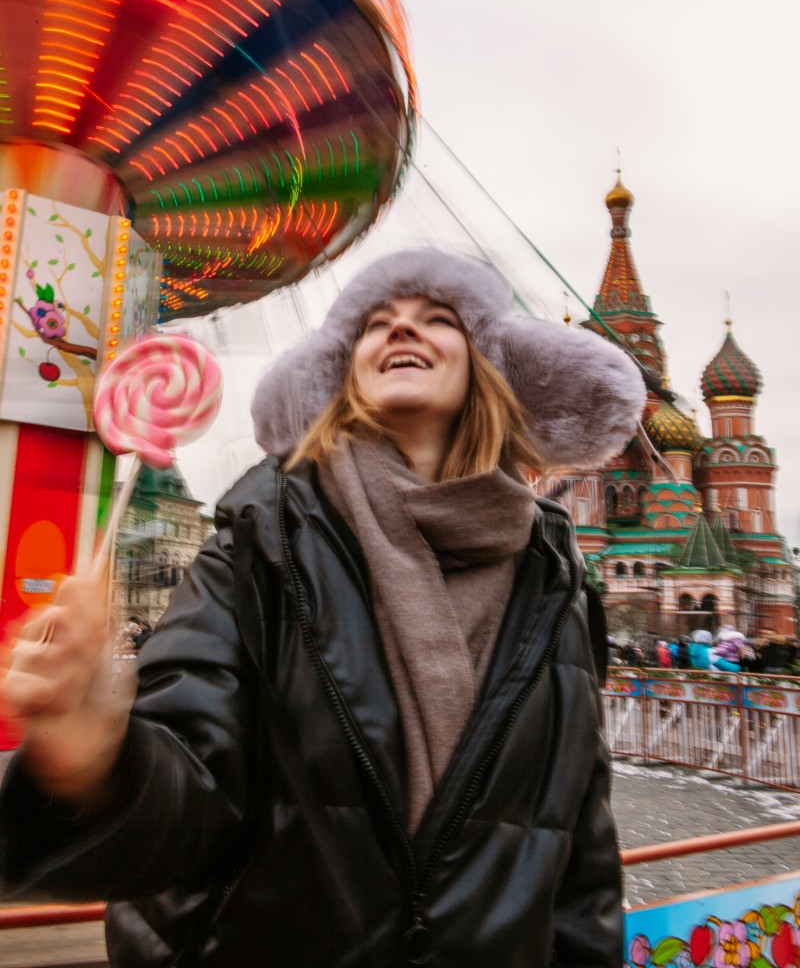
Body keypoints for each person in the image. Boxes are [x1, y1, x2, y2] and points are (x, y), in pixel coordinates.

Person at [0, 249, 645, 968]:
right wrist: (92, 761)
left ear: (487, 366)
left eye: (438, 318)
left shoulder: (555, 587)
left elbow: (578, 856)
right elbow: (187, 797)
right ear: (345, 374)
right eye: (375, 323)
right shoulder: (259, 545)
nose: (401, 328)